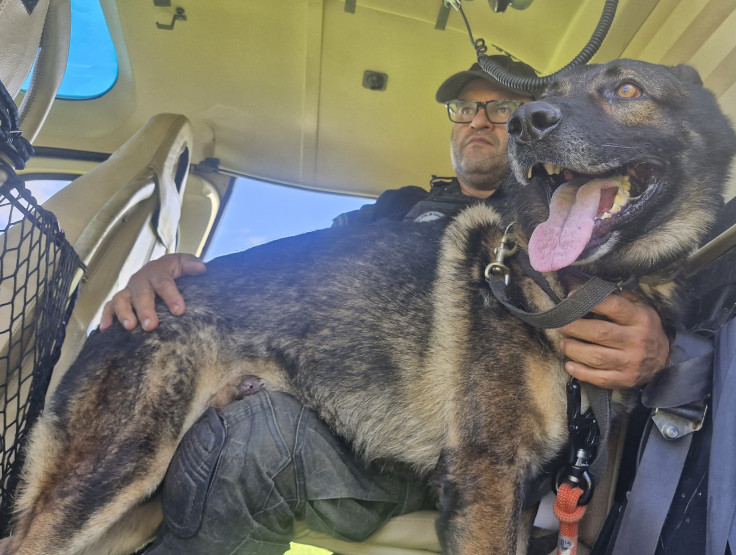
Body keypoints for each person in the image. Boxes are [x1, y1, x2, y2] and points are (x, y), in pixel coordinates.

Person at [104, 56, 671, 553]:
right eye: (464, 109)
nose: (477, 121)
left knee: (252, 436)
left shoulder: (560, 223)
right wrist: (185, 276)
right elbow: (289, 274)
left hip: (438, 445)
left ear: (530, 124)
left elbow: (635, 283)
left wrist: (659, 345)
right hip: (325, 396)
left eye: (500, 109)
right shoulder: (393, 210)